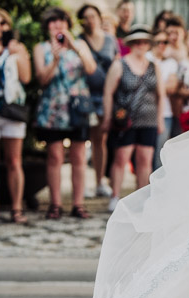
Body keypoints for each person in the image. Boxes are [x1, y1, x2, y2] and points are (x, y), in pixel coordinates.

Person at [33, 6, 97, 220]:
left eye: (61, 21)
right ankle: (55, 204)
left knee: (79, 156)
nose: (58, 25)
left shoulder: (80, 45)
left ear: (68, 25)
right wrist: (55, 59)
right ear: (47, 26)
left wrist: (74, 47)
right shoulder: (41, 48)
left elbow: (91, 69)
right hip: (53, 109)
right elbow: (41, 79)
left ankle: (78, 204)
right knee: (55, 156)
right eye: (53, 22)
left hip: (77, 107)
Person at [102, 26, 165, 209]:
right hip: (126, 120)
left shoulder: (154, 67)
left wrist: (159, 119)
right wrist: (107, 117)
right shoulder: (120, 64)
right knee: (121, 158)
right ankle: (115, 195)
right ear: (131, 44)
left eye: (144, 42)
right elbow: (108, 93)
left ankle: (142, 197)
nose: (141, 45)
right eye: (137, 42)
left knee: (145, 159)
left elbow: (160, 95)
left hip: (149, 119)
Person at [0, 7, 30, 226]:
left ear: (8, 27)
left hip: (12, 110)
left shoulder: (17, 48)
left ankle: (16, 208)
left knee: (14, 160)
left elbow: (26, 77)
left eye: (2, 23)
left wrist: (16, 54)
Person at [78, 3, 118, 200]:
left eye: (93, 16)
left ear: (99, 18)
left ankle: (100, 181)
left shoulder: (110, 40)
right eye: (86, 17)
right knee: (82, 141)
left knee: (100, 140)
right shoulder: (79, 40)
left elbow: (117, 64)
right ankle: (83, 184)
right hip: (84, 97)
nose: (90, 20)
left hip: (105, 96)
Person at [150, 28, 178, 172]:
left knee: (160, 154)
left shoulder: (171, 63)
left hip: (165, 113)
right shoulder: (146, 58)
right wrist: (162, 86)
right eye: (158, 42)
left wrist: (152, 87)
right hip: (146, 113)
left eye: (165, 42)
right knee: (145, 153)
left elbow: (172, 88)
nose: (162, 45)